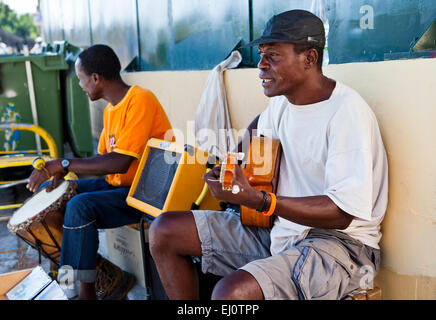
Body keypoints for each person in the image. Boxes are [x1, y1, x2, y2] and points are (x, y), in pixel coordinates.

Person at [148, 10, 388, 300]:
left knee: (231, 294)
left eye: (272, 55)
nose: (260, 66)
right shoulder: (282, 105)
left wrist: (261, 201)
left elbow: (342, 213)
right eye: (261, 55)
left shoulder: (346, 112)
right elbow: (256, 127)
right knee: (164, 231)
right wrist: (229, 166)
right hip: (280, 229)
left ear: (309, 58)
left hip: (341, 248)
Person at [26, 44, 174, 300]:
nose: (81, 86)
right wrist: (63, 175)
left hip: (147, 195)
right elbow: (103, 161)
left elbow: (118, 163)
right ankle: (89, 276)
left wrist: (64, 163)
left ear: (96, 78)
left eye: (81, 79)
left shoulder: (140, 100)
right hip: (121, 188)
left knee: (80, 206)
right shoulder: (110, 110)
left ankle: (84, 292)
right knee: (55, 196)